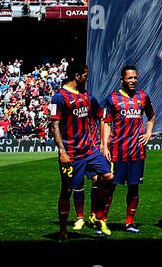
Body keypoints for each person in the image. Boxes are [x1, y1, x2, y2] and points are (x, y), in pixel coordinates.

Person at [49, 62, 114, 240]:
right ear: (77, 76)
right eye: (85, 76)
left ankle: (97, 214)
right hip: (71, 153)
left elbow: (101, 116)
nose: (87, 79)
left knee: (108, 176)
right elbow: (54, 125)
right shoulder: (59, 98)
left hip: (89, 150)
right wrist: (62, 151)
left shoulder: (87, 96)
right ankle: (63, 229)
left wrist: (101, 143)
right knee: (67, 191)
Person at [100, 66, 155, 234]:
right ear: (122, 79)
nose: (133, 81)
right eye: (129, 78)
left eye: (135, 78)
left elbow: (151, 116)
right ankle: (103, 221)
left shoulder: (143, 97)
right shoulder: (112, 99)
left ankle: (129, 222)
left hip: (137, 151)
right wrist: (105, 145)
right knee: (110, 187)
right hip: (117, 150)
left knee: (134, 187)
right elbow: (106, 122)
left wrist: (148, 133)